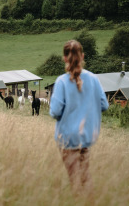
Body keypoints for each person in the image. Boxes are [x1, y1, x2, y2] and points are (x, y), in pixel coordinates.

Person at [49, 40, 109, 195]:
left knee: (74, 179)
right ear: (82, 56)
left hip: (67, 138)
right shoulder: (94, 79)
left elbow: (55, 111)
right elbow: (104, 105)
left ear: (64, 58)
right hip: (87, 136)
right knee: (85, 176)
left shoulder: (62, 81)